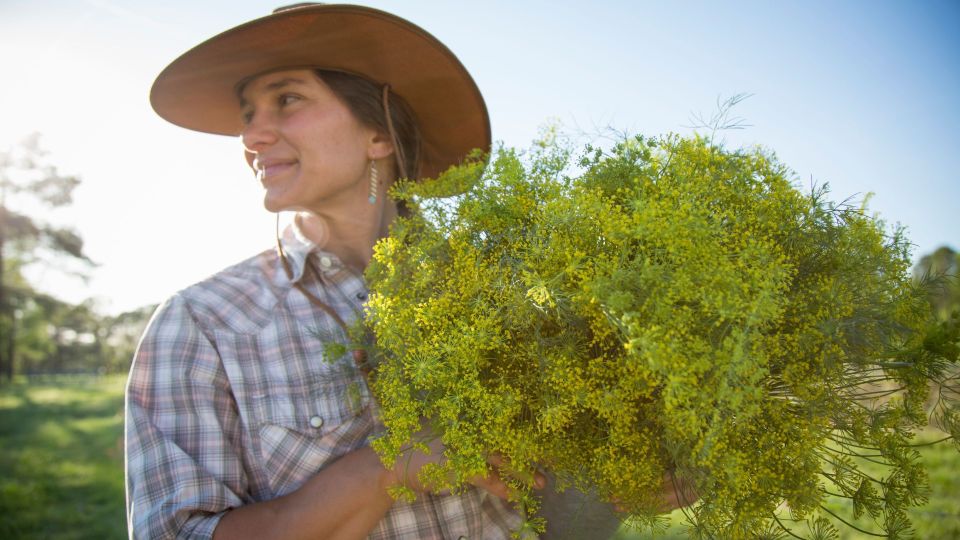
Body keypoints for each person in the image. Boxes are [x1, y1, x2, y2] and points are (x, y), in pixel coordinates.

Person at [126, 4, 688, 539]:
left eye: (287, 100)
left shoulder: (509, 290)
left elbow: (586, 476)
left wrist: (667, 452)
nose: (250, 136)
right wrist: (390, 466)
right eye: (248, 115)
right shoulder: (204, 323)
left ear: (380, 135)